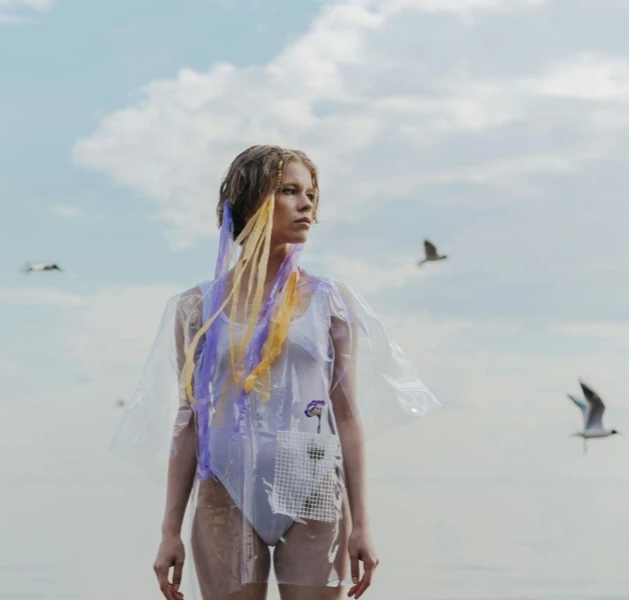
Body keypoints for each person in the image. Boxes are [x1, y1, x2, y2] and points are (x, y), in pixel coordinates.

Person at [110, 145, 440, 600]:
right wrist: (169, 531)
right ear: (250, 202)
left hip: (314, 490)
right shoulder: (197, 309)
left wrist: (362, 524)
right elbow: (190, 421)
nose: (307, 204)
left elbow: (346, 416)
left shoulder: (331, 302)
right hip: (224, 493)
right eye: (289, 191)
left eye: (310, 193)